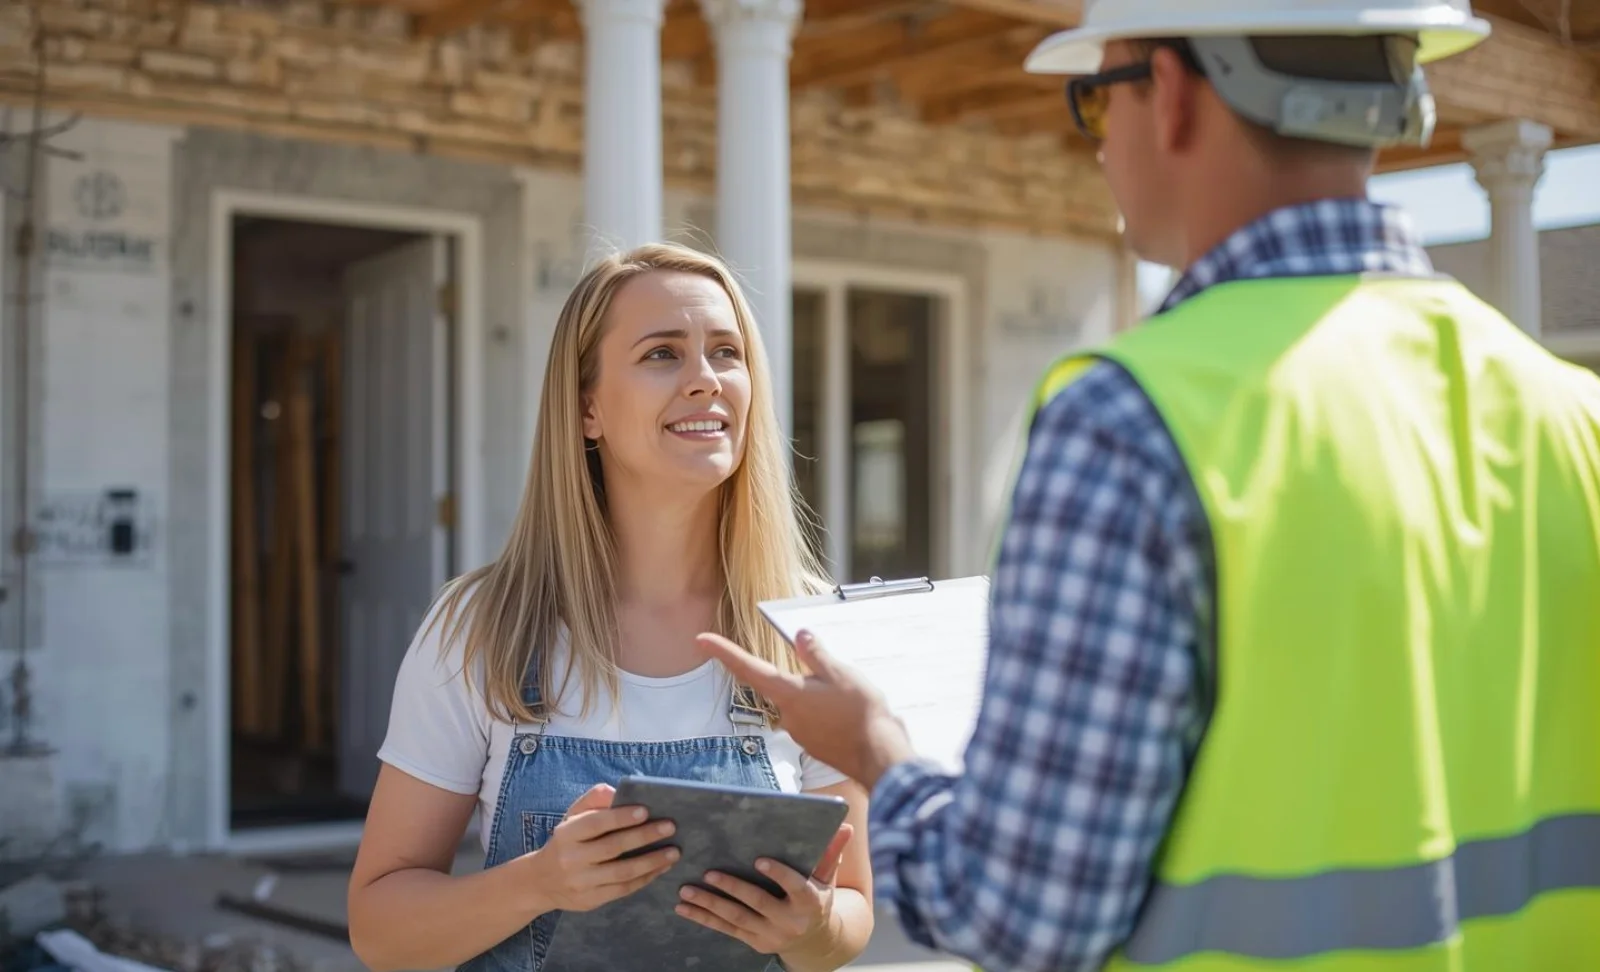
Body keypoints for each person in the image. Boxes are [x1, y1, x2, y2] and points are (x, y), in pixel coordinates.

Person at [701, 1, 1600, 969]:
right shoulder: (1569, 414)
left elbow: (1022, 915)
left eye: (1096, 98)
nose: (1096, 146)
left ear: (1168, 94)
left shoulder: (1129, 423)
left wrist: (877, 752)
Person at [347, 243, 875, 972]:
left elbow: (850, 916)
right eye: (663, 354)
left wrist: (809, 927)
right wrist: (537, 883)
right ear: (587, 408)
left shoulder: (809, 632)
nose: (705, 380)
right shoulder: (482, 629)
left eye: (726, 352)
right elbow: (380, 930)